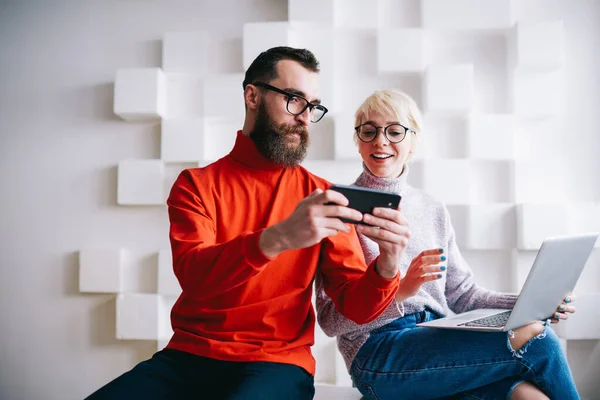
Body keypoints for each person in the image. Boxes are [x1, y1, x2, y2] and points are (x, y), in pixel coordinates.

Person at [85, 47, 413, 400]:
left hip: (278, 363)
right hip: (187, 357)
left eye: (312, 106)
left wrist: (387, 265)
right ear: (252, 96)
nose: (305, 116)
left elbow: (355, 307)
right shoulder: (196, 184)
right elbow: (194, 278)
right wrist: (279, 237)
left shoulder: (323, 196)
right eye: (294, 99)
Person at [315, 89, 579, 400]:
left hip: (440, 340)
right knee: (539, 338)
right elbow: (331, 320)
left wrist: (531, 303)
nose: (380, 141)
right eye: (368, 131)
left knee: (529, 397)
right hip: (380, 353)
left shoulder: (432, 208)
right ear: (358, 142)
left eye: (395, 131)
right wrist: (400, 292)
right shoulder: (341, 208)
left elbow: (463, 295)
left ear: (414, 141)